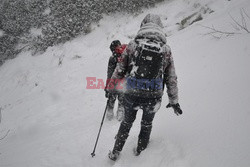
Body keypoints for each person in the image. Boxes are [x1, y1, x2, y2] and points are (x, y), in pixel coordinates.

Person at [107, 14, 183, 161]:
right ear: (160, 26)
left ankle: (115, 152)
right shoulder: (165, 49)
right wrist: (173, 100)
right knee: (146, 124)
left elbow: (120, 69)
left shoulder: (132, 44)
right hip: (153, 95)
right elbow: (171, 77)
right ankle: (141, 154)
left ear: (143, 25)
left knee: (126, 123)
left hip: (132, 92)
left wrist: (111, 87)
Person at [105, 40, 127, 121]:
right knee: (122, 100)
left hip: (113, 82)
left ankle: (109, 115)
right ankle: (120, 115)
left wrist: (107, 87)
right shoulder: (126, 56)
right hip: (124, 82)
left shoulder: (112, 58)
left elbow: (110, 73)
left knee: (111, 98)